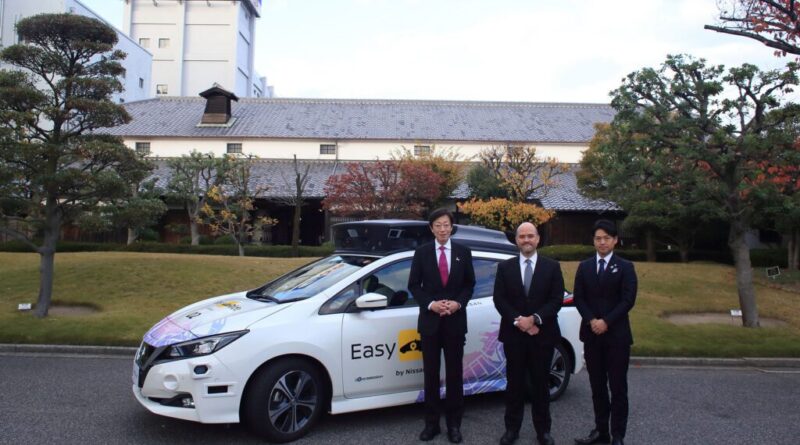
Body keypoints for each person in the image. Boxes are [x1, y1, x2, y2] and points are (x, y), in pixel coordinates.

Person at [408, 208, 476, 444]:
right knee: (431, 375)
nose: (442, 229)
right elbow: (414, 285)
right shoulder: (422, 253)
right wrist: (431, 304)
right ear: (431, 228)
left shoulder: (463, 252)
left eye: (446, 224)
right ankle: (432, 424)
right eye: (438, 225)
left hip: (455, 322)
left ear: (451, 227)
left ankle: (454, 425)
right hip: (431, 323)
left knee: (455, 375)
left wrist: (458, 303)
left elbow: (470, 284)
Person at [493, 222, 563, 445]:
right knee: (514, 385)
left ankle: (543, 431)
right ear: (516, 240)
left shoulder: (552, 267)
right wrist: (520, 321)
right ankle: (511, 430)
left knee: (541, 385)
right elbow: (499, 299)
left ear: (538, 239)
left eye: (530, 236)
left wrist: (534, 319)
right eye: (522, 236)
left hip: (542, 335)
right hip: (514, 336)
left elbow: (556, 300)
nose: (526, 240)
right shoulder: (505, 267)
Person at [573, 220, 637, 445]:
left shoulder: (626, 267)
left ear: (615, 240)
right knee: (597, 387)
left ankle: (618, 434)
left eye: (606, 238)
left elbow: (628, 299)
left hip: (616, 336)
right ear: (593, 241)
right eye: (598, 238)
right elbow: (578, 297)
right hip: (592, 335)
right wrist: (592, 320)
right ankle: (601, 431)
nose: (602, 242)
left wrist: (606, 321)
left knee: (618, 387)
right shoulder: (585, 266)